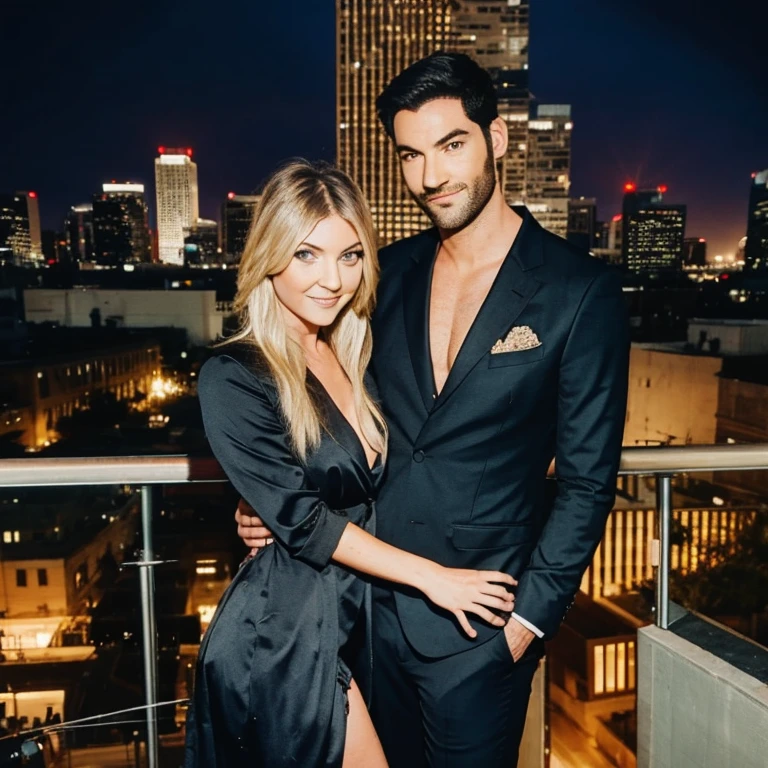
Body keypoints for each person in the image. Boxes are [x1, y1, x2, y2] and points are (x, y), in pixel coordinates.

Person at [236, 53, 631, 767]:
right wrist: (275, 502)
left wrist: (528, 620)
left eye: (452, 145)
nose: (431, 176)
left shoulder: (579, 293)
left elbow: (586, 482)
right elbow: (329, 402)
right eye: (411, 155)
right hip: (366, 610)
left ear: (498, 139)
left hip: (482, 631)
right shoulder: (386, 274)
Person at [183, 159, 519, 768]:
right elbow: (306, 520)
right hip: (286, 630)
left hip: (364, 617)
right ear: (269, 256)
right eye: (306, 255)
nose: (331, 279)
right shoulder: (234, 375)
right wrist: (434, 577)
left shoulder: (356, 356)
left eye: (350, 255)